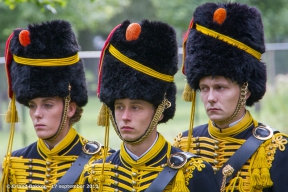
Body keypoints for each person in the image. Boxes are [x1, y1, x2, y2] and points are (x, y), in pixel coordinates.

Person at [80, 19, 219, 192]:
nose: (125, 117)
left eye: (136, 107)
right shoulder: (94, 174)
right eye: (119, 107)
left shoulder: (194, 171)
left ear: (160, 110)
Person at [173, 2, 288, 192]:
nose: (210, 97)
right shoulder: (182, 144)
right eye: (204, 88)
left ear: (246, 90)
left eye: (220, 87)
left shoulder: (275, 149)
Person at [0, 20, 113, 192]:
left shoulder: (102, 161)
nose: (37, 114)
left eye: (48, 105)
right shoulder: (15, 162)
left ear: (71, 108)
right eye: (32, 105)